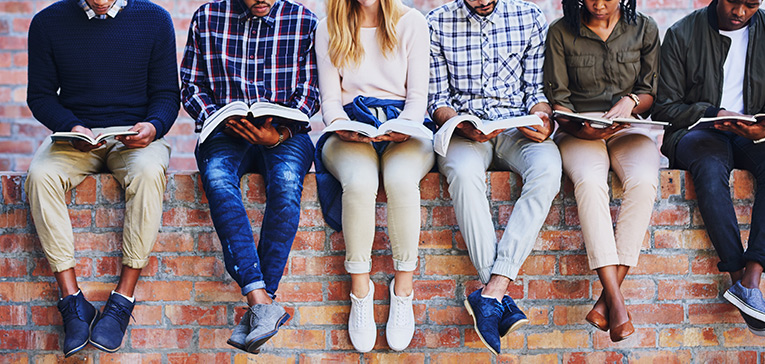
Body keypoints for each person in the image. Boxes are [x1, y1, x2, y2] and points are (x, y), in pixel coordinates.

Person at [25, 0, 179, 356]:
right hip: (78, 137)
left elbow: (167, 96)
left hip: (135, 138)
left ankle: (123, 299)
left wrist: (153, 126)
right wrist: (71, 127)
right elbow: (41, 96)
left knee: (149, 171)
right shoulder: (47, 23)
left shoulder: (155, 19)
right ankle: (73, 302)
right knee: (40, 174)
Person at [180, 0, 318, 353]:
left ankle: (260, 303)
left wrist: (282, 132)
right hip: (227, 129)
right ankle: (261, 301)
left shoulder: (303, 20)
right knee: (217, 178)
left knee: (287, 184)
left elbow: (311, 91)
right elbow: (191, 85)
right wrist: (219, 118)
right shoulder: (208, 16)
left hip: (284, 132)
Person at [653, 0, 765, 337]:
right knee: (710, 165)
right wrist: (712, 113)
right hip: (698, 131)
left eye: (752, 4)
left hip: (751, 133)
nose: (741, 12)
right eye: (735, 2)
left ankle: (752, 279)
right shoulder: (682, 33)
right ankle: (737, 277)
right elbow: (665, 107)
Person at [427, 0, 561, 355]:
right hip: (465, 131)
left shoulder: (529, 16)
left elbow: (536, 91)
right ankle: (497, 294)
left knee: (548, 169)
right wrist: (459, 122)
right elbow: (436, 99)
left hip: (517, 127)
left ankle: (492, 291)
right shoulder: (437, 22)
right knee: (462, 172)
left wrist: (541, 117)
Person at [314, 0, 433, 353]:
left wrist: (403, 128)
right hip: (350, 128)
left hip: (405, 127)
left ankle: (403, 290)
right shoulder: (328, 27)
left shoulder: (413, 23)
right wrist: (343, 128)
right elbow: (330, 102)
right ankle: (361, 292)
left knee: (399, 180)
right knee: (361, 181)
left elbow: (417, 98)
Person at [544, 0, 660, 342]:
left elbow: (650, 90)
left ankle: (605, 300)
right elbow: (559, 103)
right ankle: (617, 302)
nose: (598, 4)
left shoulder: (645, 28)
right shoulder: (561, 32)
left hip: (628, 129)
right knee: (591, 183)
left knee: (644, 182)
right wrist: (584, 128)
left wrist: (632, 102)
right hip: (579, 132)